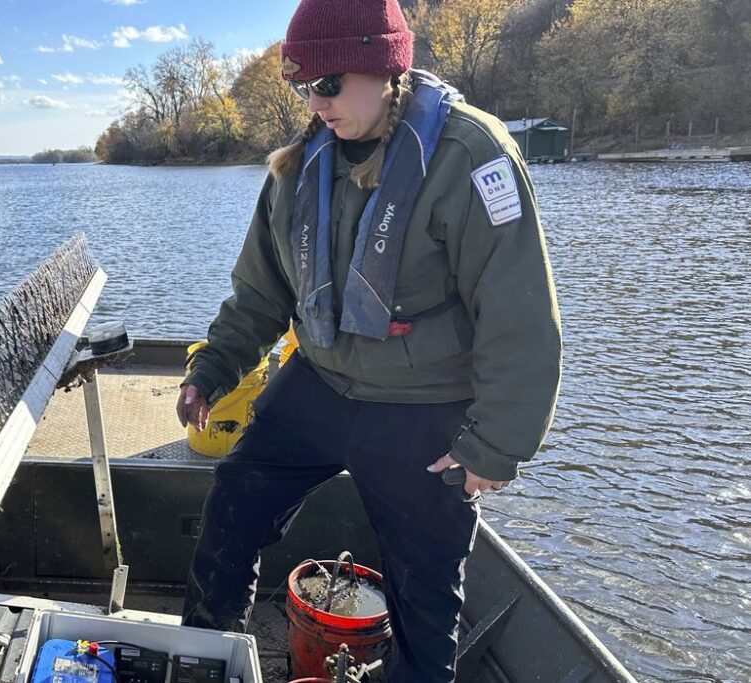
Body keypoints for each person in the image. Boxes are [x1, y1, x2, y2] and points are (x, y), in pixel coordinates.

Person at [174, 0, 562, 681]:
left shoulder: (473, 157)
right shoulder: (297, 166)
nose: (315, 102)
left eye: (328, 84)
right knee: (235, 495)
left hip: (424, 403)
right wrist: (210, 369)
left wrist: (496, 444)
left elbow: (519, 314)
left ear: (387, 68)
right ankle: (210, 657)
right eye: (303, 86)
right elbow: (261, 293)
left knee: (426, 590)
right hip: (321, 382)